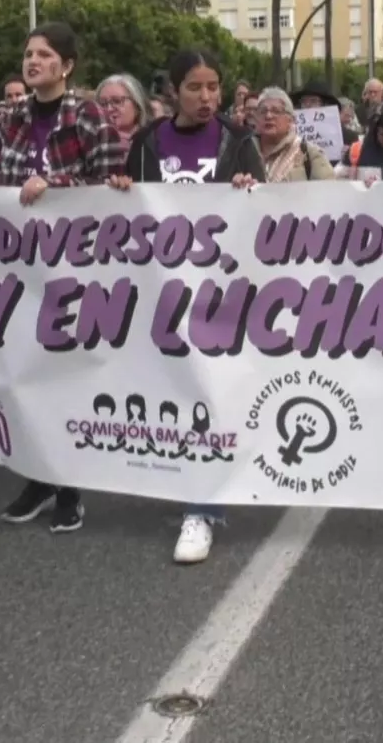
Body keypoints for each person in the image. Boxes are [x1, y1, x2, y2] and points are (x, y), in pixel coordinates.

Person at [0, 21, 126, 533]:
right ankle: (37, 476)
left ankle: (69, 487)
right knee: (22, 370)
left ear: (66, 66)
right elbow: (2, 179)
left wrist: (58, 183)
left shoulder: (87, 115)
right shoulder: (11, 115)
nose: (33, 62)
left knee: (64, 371)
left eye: (45, 55)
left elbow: (107, 183)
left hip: (73, 264)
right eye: (28, 54)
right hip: (21, 263)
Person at [111, 49, 262, 563]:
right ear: (174, 91)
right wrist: (122, 191)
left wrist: (250, 190)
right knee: (174, 385)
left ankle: (203, 509)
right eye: (195, 87)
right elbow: (131, 209)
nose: (207, 97)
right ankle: (187, 482)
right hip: (164, 289)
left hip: (220, 289)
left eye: (214, 87)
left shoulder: (239, 141)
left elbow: (267, 216)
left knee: (211, 387)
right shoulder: (148, 142)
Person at [249, 88, 336, 181]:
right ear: (256, 118)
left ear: (290, 120)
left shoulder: (309, 153)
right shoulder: (242, 151)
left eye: (276, 111)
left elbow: (328, 191)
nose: (268, 116)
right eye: (263, 111)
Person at [96, 73, 150, 150]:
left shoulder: (152, 143)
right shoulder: (89, 144)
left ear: (137, 105)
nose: (109, 109)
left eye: (117, 101)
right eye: (102, 103)